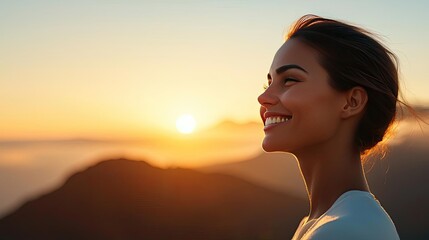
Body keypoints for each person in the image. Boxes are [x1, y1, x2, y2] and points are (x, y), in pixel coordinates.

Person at [258, 15, 401, 239]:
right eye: (269, 83)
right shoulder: (320, 223)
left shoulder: (346, 229)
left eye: (290, 80)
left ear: (351, 102)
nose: (263, 97)